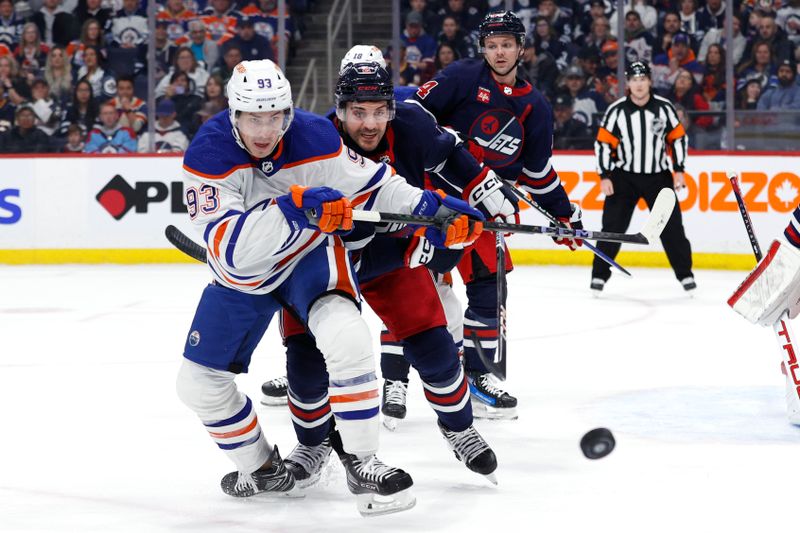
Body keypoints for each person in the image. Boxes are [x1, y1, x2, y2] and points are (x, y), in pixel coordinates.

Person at [176, 58, 484, 516]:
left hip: (308, 257)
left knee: (349, 338)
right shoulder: (208, 153)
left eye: (276, 116)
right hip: (245, 276)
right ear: (233, 113)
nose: (265, 130)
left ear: (289, 112)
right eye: (253, 118)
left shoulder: (315, 137)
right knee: (197, 385)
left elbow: (375, 187)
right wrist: (291, 209)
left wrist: (431, 210)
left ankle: (363, 461)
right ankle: (260, 468)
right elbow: (231, 254)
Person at [264, 61, 509, 487]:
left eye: (379, 111)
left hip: (393, 254)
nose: (370, 123)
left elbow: (450, 154)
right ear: (339, 111)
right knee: (305, 361)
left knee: (434, 346)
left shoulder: (412, 123)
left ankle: (459, 427)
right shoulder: (314, 142)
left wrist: (481, 190)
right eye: (359, 112)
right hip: (326, 259)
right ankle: (313, 442)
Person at [411, 11, 583, 420]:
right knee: (411, 283)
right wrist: (443, 141)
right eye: (492, 45)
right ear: (482, 49)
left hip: (486, 212)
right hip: (436, 204)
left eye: (507, 44)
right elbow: (410, 113)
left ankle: (478, 376)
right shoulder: (462, 76)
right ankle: (360, 372)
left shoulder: (534, 107)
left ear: (521, 48)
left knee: (490, 286)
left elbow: (537, 174)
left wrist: (565, 216)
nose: (499, 52)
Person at [591, 61, 695, 294]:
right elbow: (603, 144)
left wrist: (679, 170)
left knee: (672, 227)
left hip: (658, 177)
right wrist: (604, 175)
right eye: (634, 80)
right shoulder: (616, 110)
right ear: (628, 83)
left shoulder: (664, 108)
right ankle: (599, 275)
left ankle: (685, 274)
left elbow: (678, 138)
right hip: (623, 176)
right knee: (612, 227)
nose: (638, 84)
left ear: (649, 81)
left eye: (642, 79)